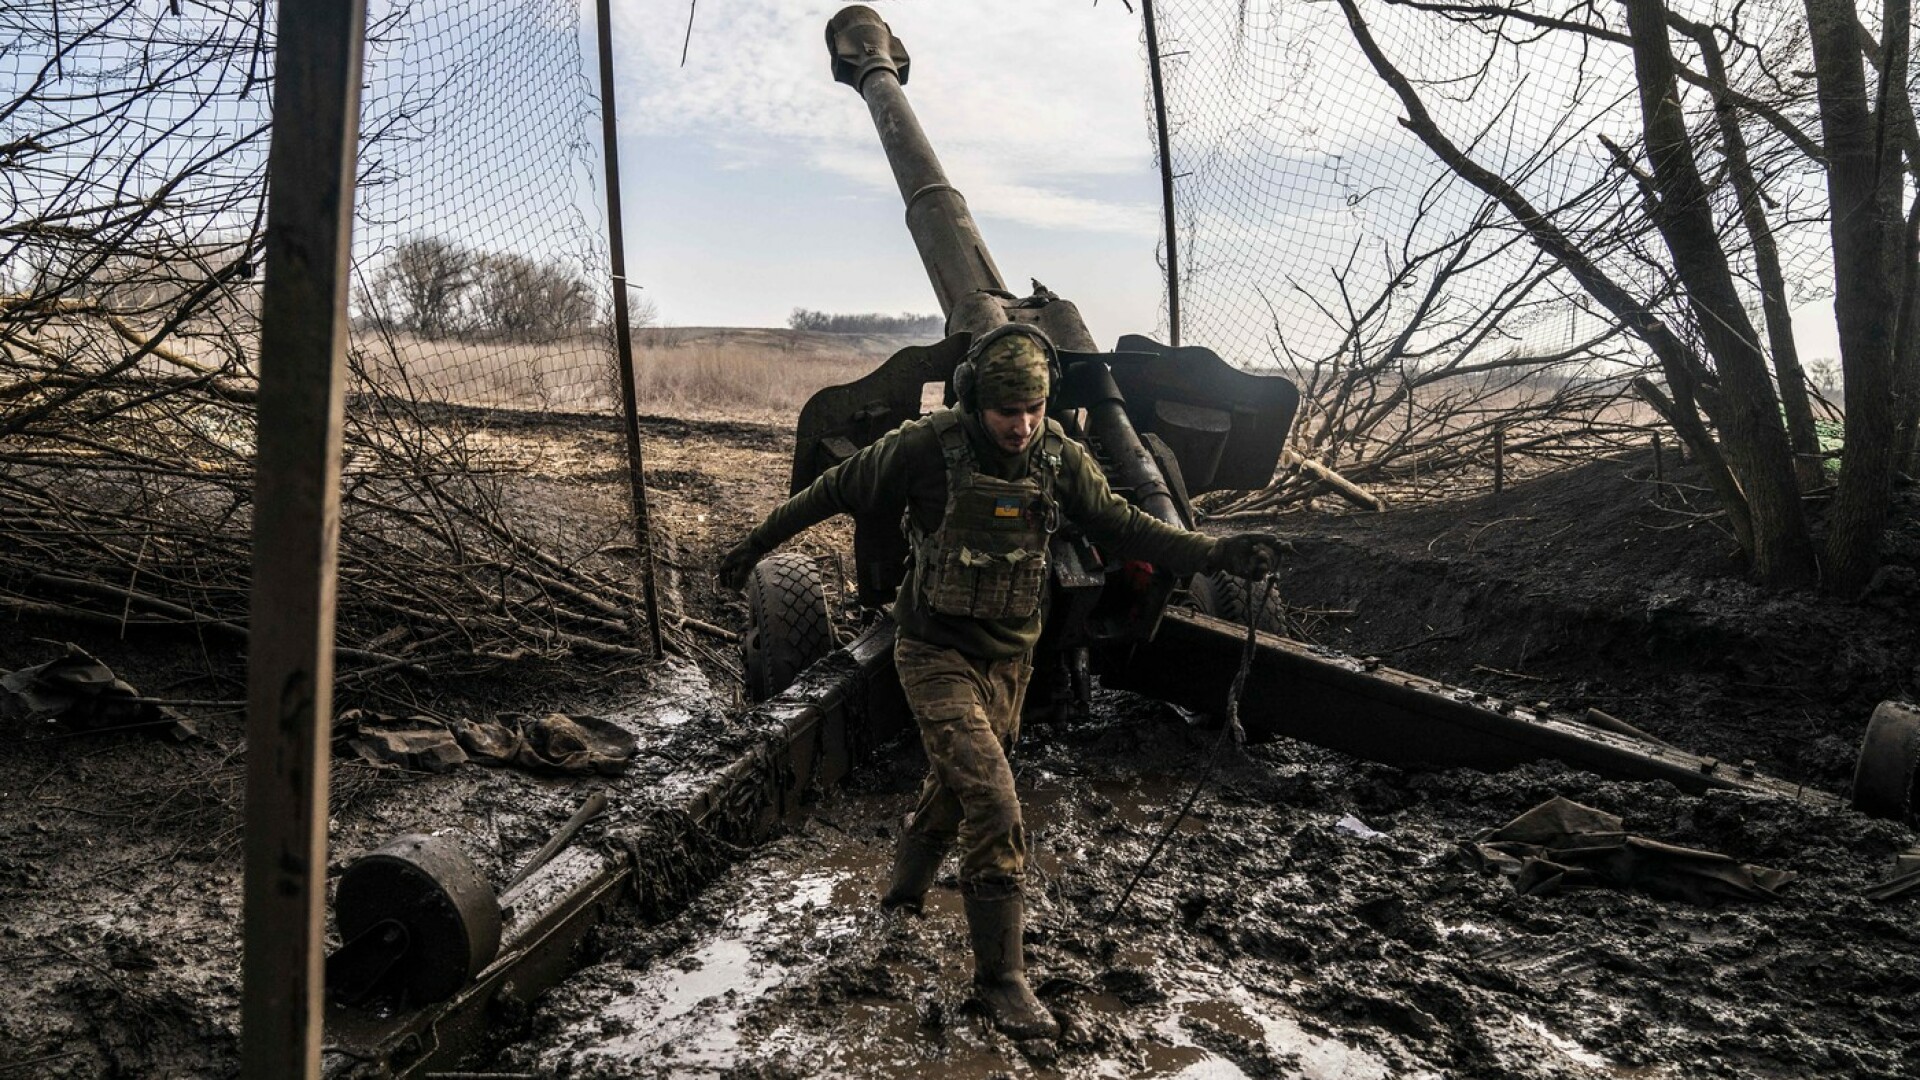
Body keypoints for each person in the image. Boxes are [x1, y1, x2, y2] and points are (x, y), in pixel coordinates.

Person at [717, 323, 1280, 1041]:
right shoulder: (923, 448)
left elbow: (1125, 524)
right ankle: (1001, 981)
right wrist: (751, 547)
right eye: (1005, 412)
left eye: (1033, 411)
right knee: (995, 803)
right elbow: (831, 490)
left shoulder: (1057, 458)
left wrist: (1219, 552)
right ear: (973, 400)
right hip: (933, 652)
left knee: (955, 790)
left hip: (1011, 660)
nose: (1020, 427)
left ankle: (900, 902)